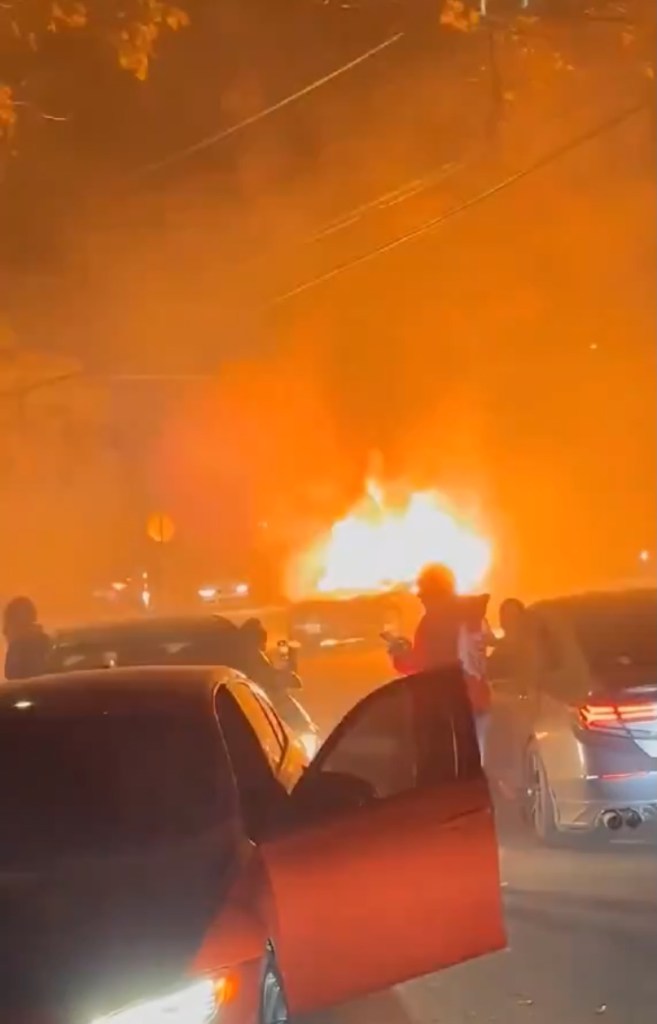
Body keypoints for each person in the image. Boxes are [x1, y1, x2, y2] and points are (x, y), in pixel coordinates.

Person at [387, 564, 491, 758]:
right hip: (477, 702)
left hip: (446, 707)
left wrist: (399, 654)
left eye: (423, 592)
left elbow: (421, 662)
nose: (420, 598)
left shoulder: (434, 621)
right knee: (475, 767)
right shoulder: (474, 614)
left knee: (449, 771)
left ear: (435, 592)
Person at [3, 596, 52, 680]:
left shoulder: (18, 648)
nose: (4, 632)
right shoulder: (46, 647)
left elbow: (13, 676)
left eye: (8, 625)